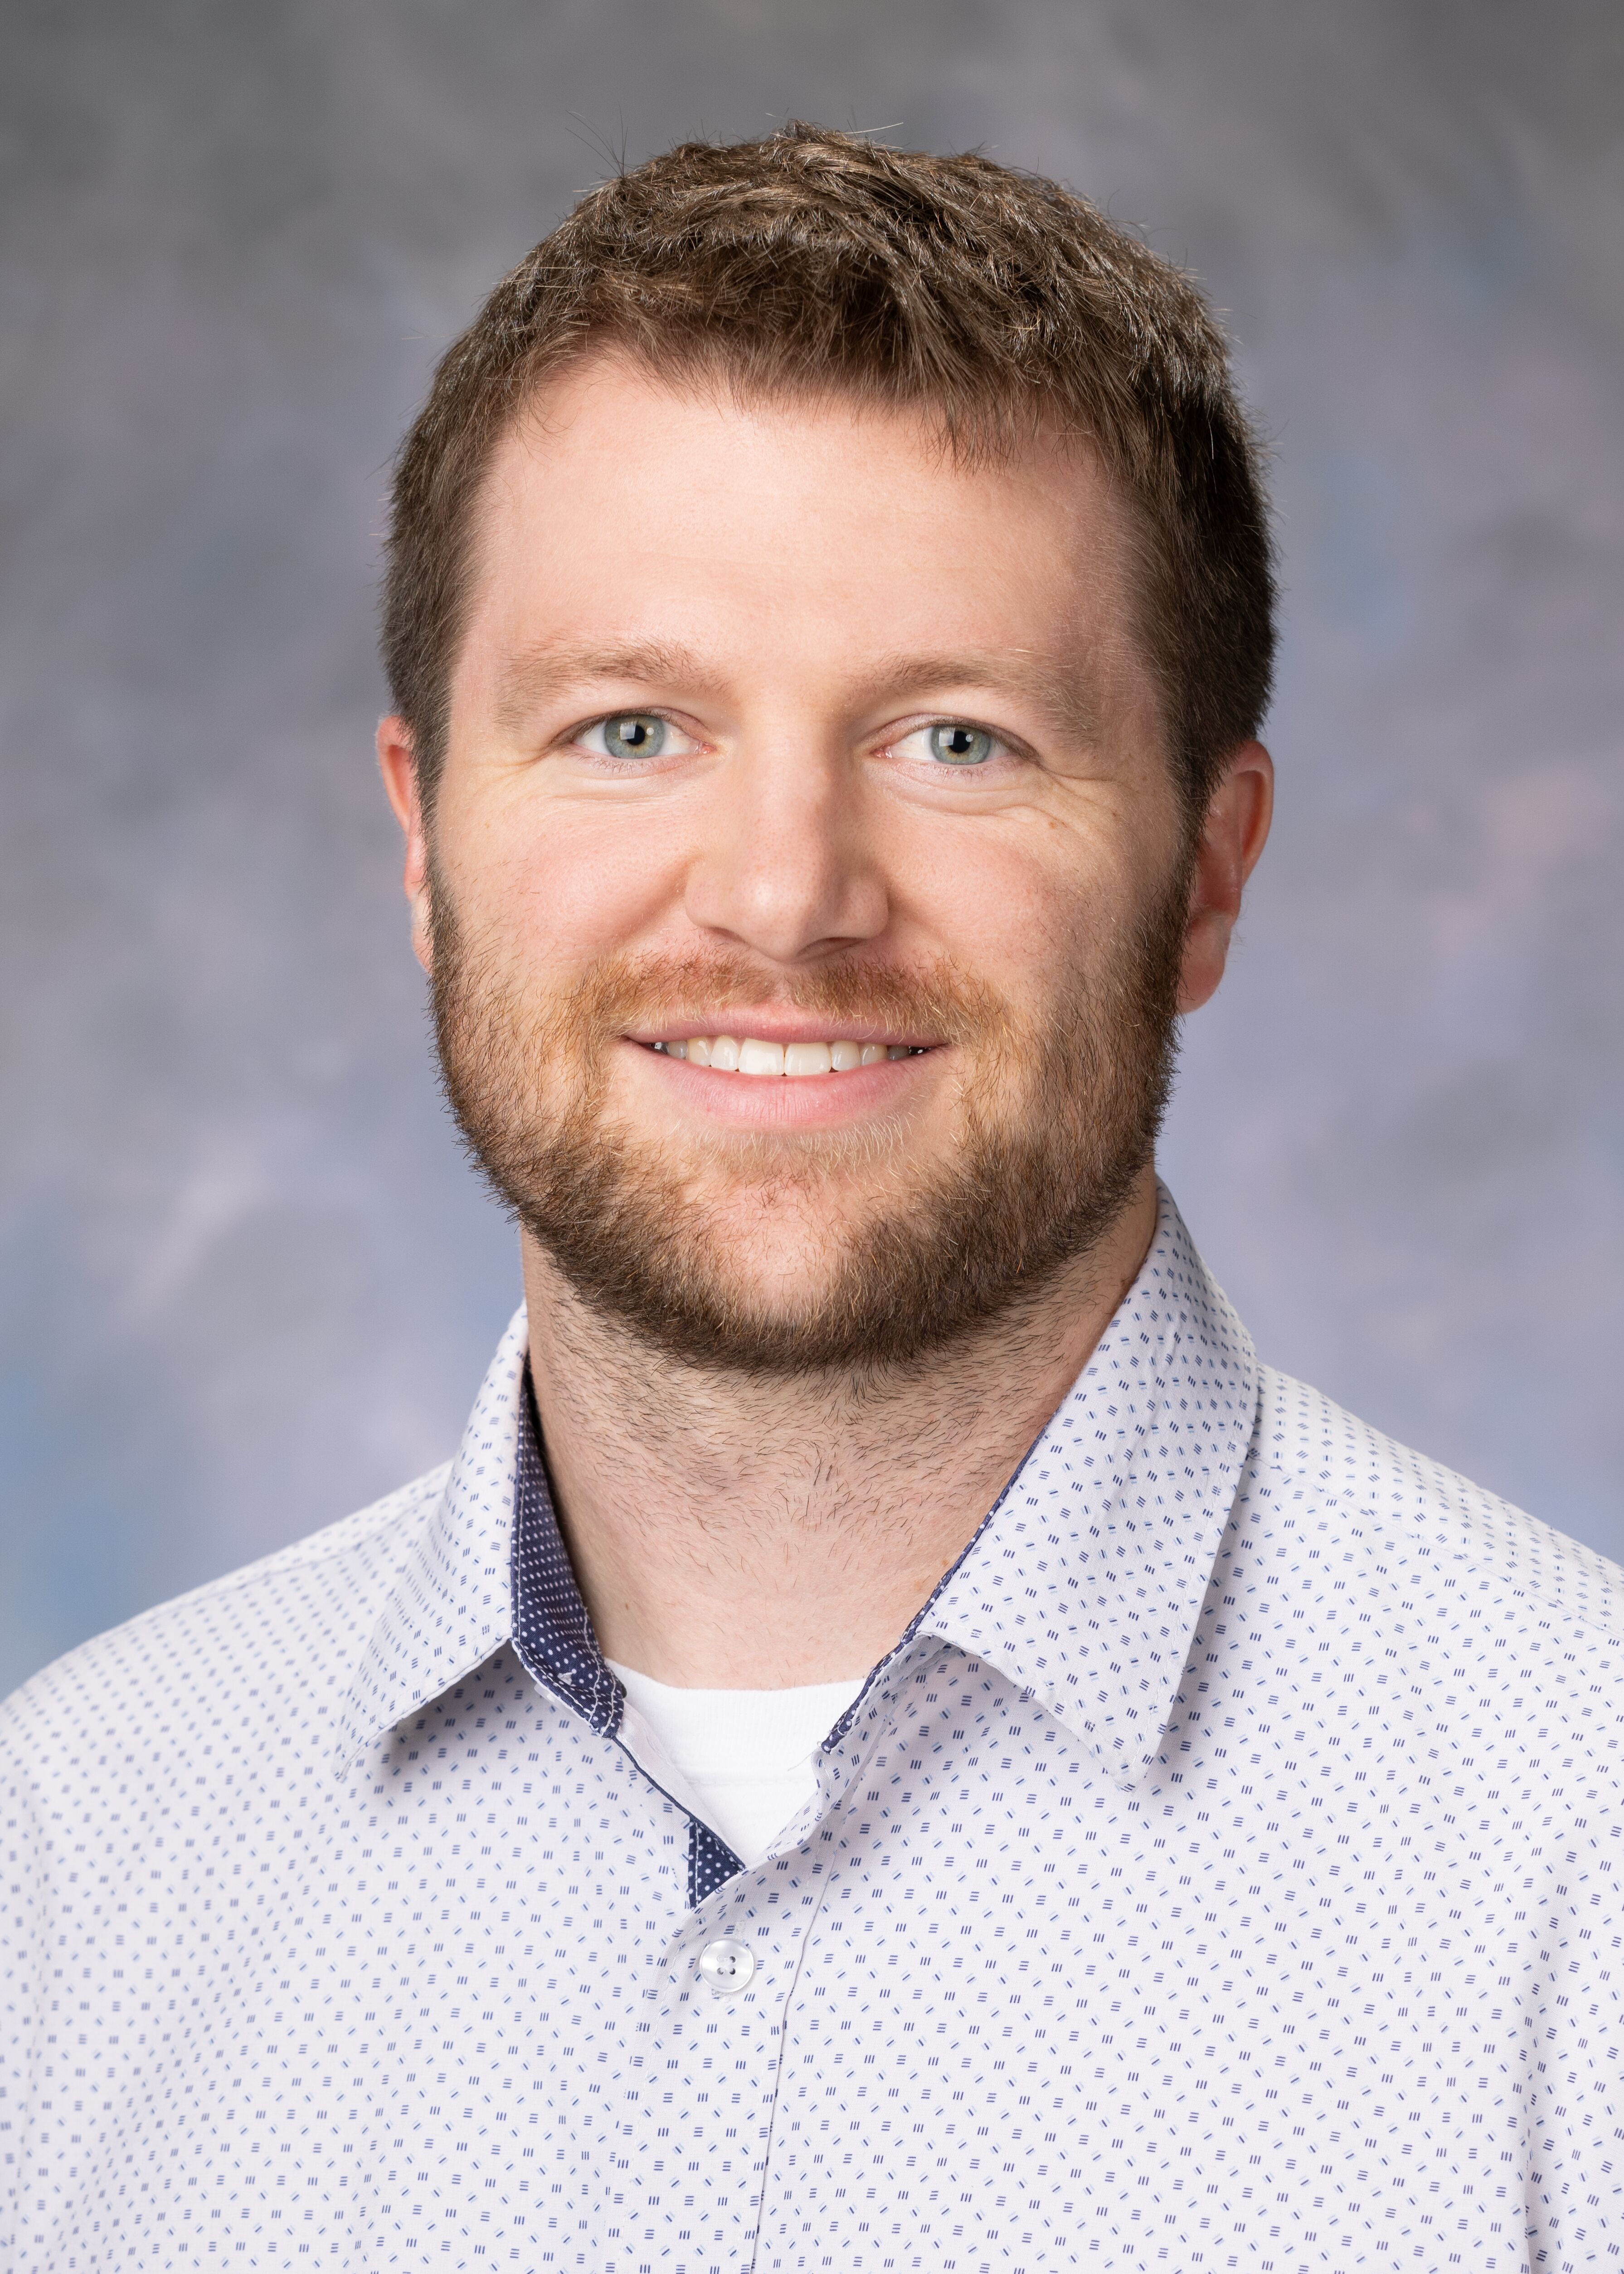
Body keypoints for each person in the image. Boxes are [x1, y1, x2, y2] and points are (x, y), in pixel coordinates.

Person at [3, 124, 1619, 2274]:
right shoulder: (70, 1865)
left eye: (952, 742)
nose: (782, 900)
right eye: (627, 730)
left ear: (1204, 871)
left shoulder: (1578, 1871)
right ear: (422, 841)